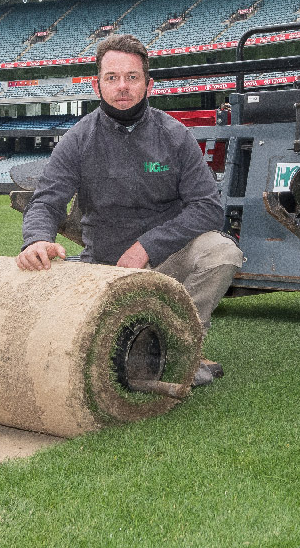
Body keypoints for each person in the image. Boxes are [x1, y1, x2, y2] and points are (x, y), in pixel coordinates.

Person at [17, 34, 242, 385]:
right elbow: (46, 200)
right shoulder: (78, 139)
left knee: (221, 253)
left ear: (148, 84)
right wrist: (34, 241)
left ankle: (182, 349)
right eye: (112, 78)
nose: (122, 86)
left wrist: (146, 248)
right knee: (35, 289)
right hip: (102, 265)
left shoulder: (175, 136)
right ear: (97, 85)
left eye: (132, 77)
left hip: (166, 262)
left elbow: (208, 208)